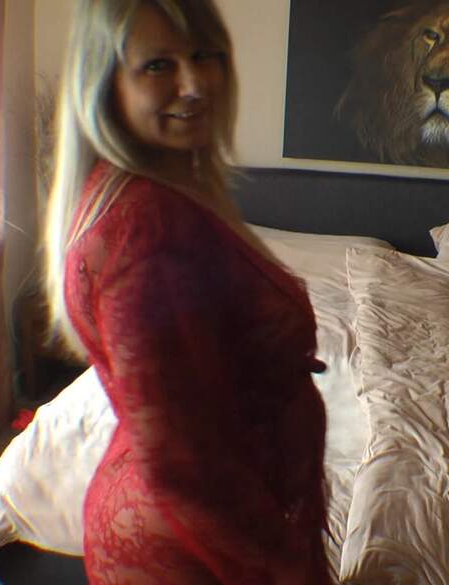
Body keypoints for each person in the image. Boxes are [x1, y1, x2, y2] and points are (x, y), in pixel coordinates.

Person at [42, 1, 332, 583]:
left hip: (188, 524)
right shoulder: (148, 231)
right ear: (105, 84)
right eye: (158, 66)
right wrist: (285, 572)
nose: (195, 85)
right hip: (191, 551)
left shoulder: (165, 190)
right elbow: (183, 466)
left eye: (205, 56)